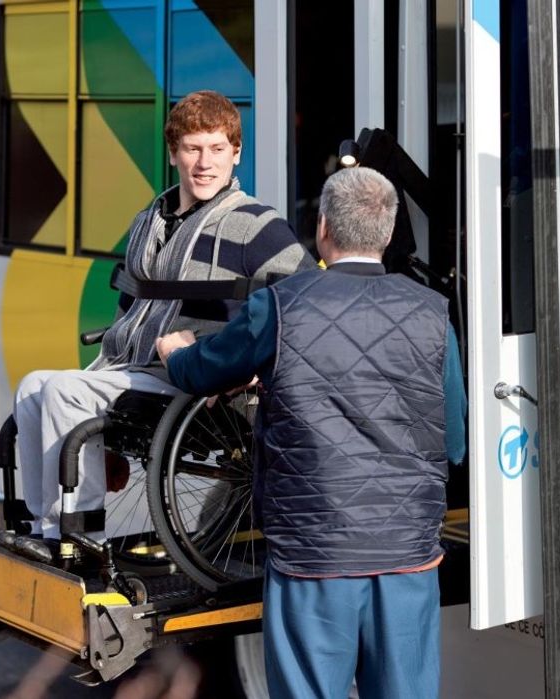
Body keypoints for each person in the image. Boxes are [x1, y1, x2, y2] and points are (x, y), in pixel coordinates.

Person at [156, 166, 466, 699]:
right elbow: (454, 442)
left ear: (322, 227)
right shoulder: (434, 314)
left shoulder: (281, 305)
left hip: (312, 553)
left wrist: (175, 351)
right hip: (407, 553)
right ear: (388, 234)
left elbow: (203, 371)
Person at [1, 90, 313, 563]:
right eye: (192, 149)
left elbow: (306, 300)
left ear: (236, 154)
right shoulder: (149, 221)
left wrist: (254, 367)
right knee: (32, 387)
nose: (204, 163)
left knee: (64, 392)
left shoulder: (255, 225)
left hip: (194, 378)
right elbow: (131, 309)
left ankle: (81, 537)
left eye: (216, 149)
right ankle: (46, 525)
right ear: (174, 154)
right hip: (133, 366)